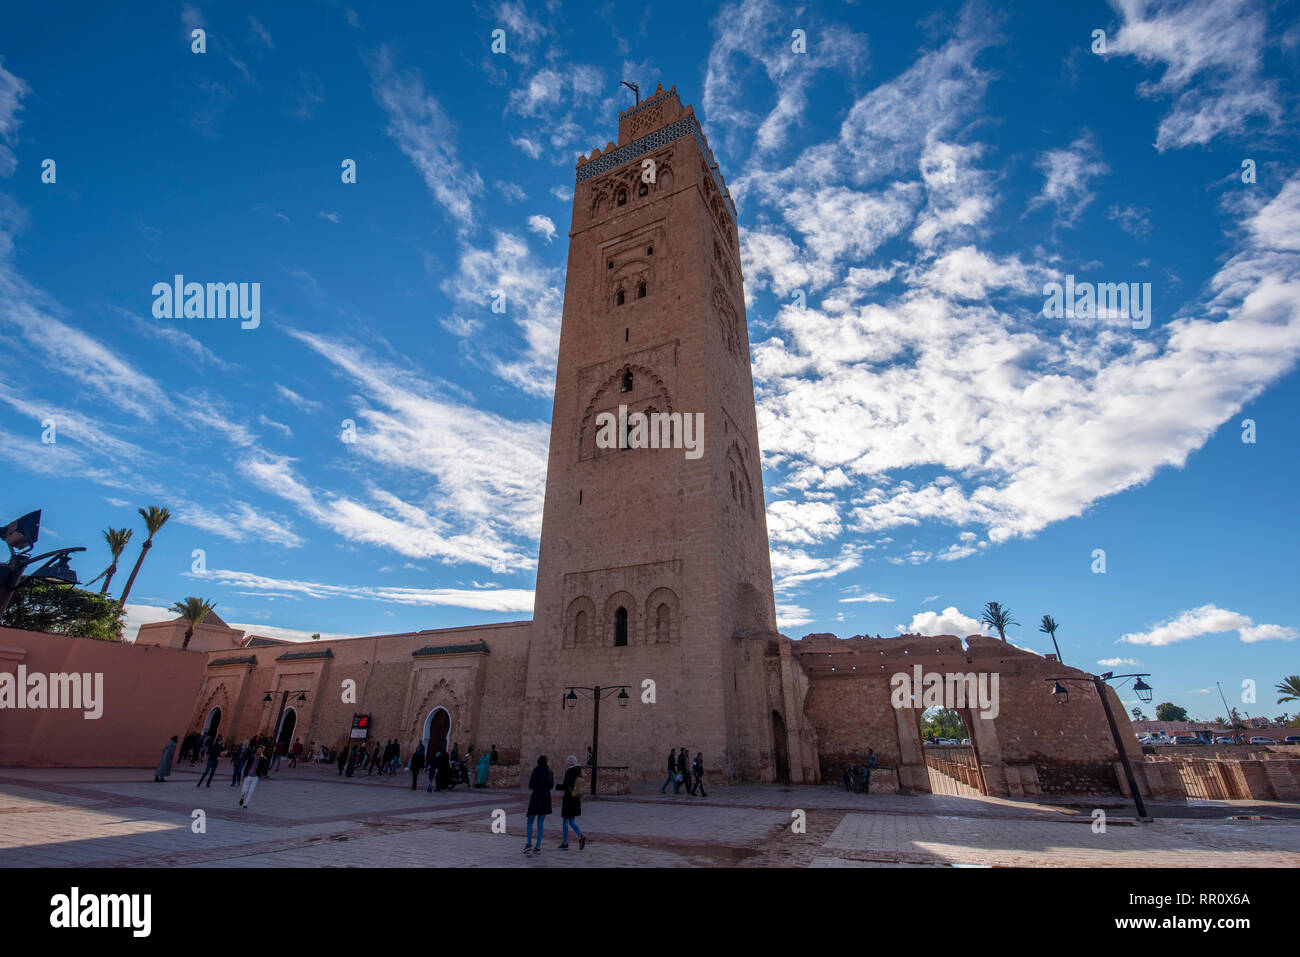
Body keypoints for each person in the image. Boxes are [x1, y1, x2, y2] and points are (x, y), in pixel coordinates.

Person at [555, 755, 586, 850]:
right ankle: (581, 836)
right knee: (572, 821)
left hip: (568, 799)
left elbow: (566, 786)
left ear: (569, 762)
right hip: (576, 799)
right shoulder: (579, 771)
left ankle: (565, 842)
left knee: (565, 821)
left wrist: (557, 786)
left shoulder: (569, 772)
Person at [523, 755, 553, 855]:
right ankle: (538, 846)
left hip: (536, 798)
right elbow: (551, 785)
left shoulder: (536, 771)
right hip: (545, 799)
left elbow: (531, 785)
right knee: (540, 824)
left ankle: (529, 844)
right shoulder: (549, 772)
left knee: (530, 821)